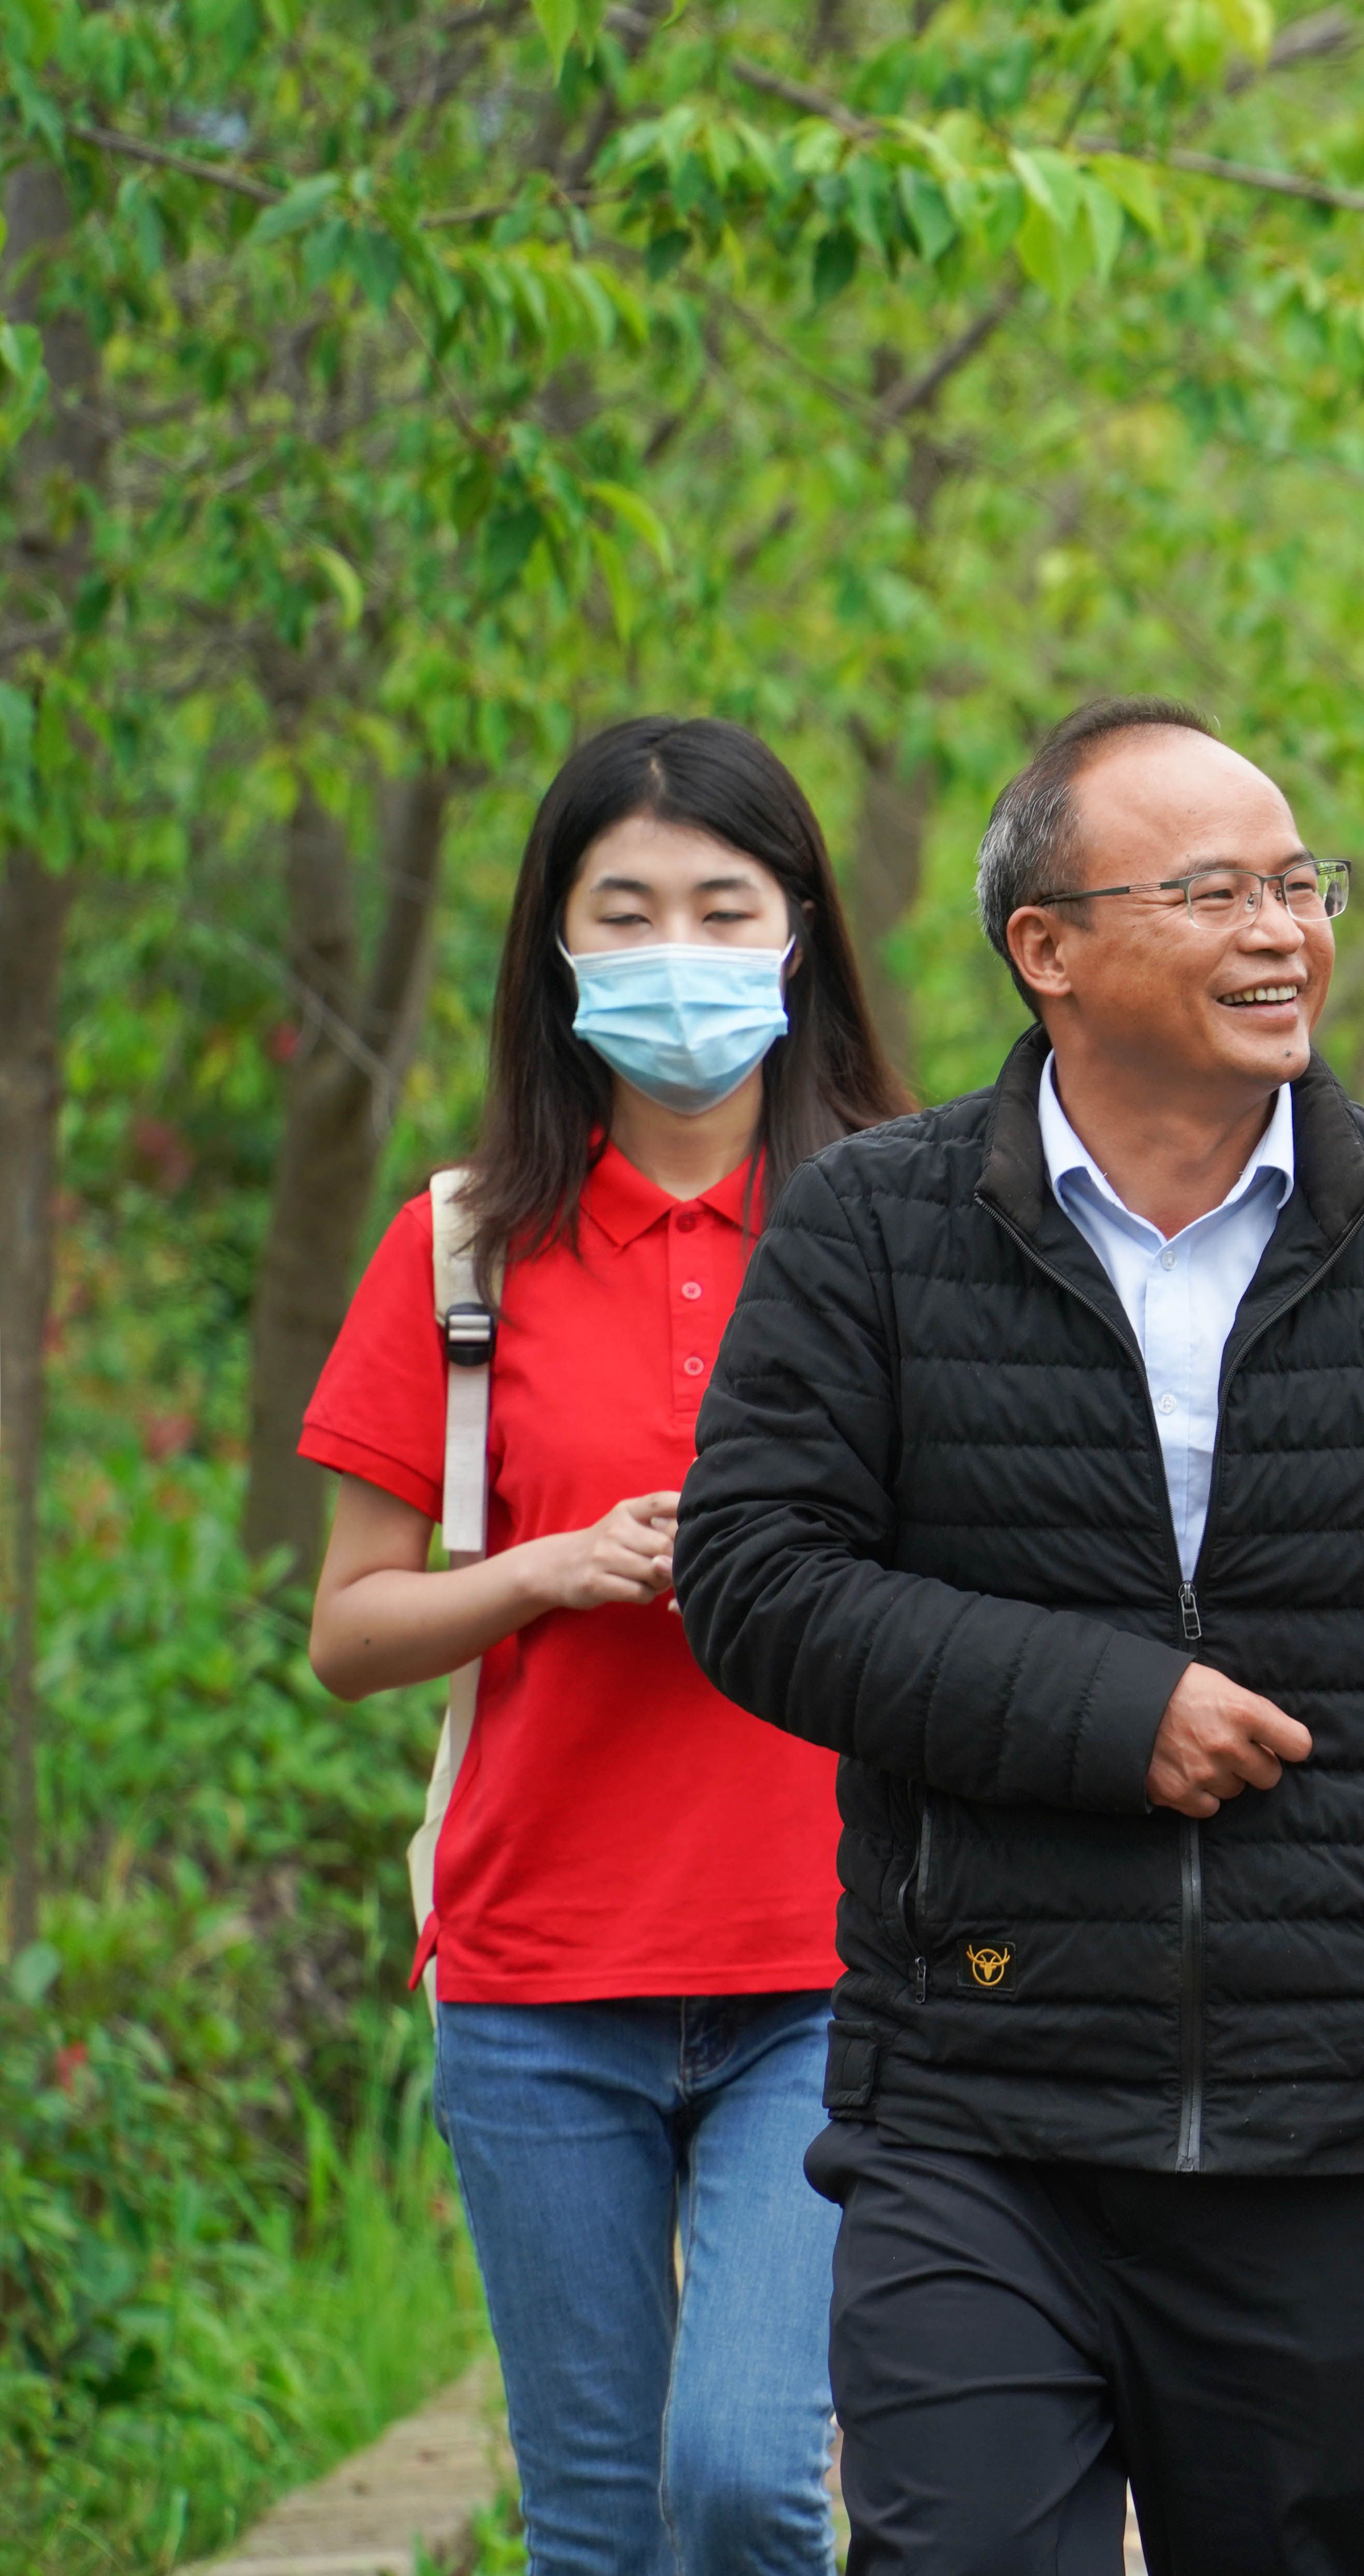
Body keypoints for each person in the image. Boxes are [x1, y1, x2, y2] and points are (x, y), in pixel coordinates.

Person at [673, 698, 1364, 2574]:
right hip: (976, 2101)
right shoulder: (872, 1231)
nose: (1280, 930)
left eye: (1298, 884)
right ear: (1046, 949)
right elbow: (755, 1577)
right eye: (1214, 888)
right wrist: (1105, 1705)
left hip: (1331, 2121)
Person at [301, 715, 913, 2571]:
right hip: (537, 1974)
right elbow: (350, 1626)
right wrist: (547, 1570)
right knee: (594, 2519)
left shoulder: (907, 1225)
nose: (676, 955)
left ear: (797, 935)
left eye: (722, 909)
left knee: (740, 2475)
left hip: (825, 1961)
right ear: (554, 949)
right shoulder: (459, 1249)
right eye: (624, 910)